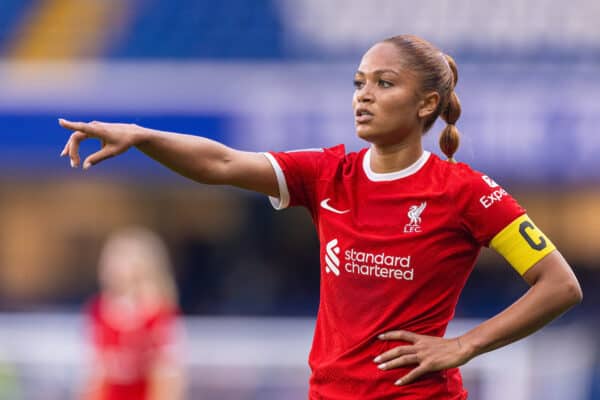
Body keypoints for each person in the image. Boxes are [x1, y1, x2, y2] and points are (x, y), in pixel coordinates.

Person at [60, 34, 582, 399]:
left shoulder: (466, 191)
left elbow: (559, 285)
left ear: (426, 104)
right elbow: (221, 163)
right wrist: (144, 136)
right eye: (359, 83)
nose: (363, 96)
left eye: (383, 83)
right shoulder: (328, 173)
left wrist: (465, 345)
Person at [81, 227, 185, 400]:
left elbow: (167, 375)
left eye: (122, 259)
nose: (115, 267)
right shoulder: (98, 310)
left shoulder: (159, 313)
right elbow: (96, 374)